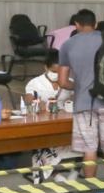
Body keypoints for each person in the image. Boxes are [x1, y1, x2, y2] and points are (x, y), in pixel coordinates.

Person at [58, 9, 104, 179]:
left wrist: (78, 86)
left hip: (83, 104)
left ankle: (91, 189)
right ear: (96, 23)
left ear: (76, 24)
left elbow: (62, 82)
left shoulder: (68, 45)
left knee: (89, 150)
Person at [25, 50, 77, 184]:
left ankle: (75, 171)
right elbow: (29, 99)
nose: (57, 75)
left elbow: (77, 98)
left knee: (83, 142)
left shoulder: (69, 82)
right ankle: (55, 174)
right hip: (44, 126)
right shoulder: (36, 83)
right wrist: (38, 103)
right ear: (46, 68)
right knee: (43, 145)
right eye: (53, 71)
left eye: (60, 72)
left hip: (66, 125)